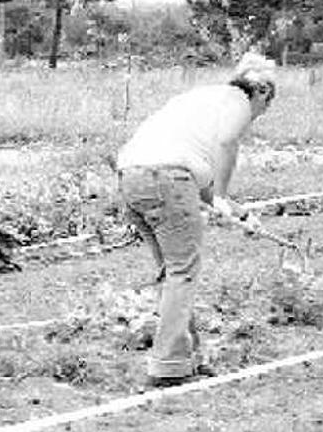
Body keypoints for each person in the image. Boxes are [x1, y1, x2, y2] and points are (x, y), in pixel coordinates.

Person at [116, 52, 276, 388]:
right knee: (183, 271)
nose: (258, 117)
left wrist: (234, 210)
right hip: (167, 178)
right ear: (261, 92)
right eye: (265, 108)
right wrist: (222, 194)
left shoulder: (203, 99)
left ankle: (187, 358)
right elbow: (227, 142)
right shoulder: (238, 102)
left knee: (174, 272)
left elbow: (193, 173)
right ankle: (169, 367)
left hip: (132, 178)